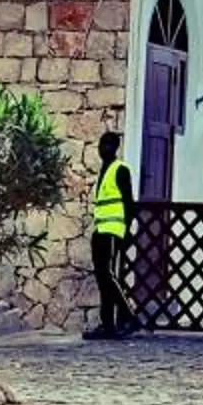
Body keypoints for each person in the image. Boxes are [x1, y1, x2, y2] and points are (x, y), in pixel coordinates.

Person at [88, 131, 136, 339]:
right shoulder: (104, 171)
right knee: (101, 277)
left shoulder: (120, 169)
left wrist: (126, 231)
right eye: (101, 144)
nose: (103, 148)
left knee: (108, 275)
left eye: (108, 145)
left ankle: (128, 316)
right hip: (100, 229)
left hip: (113, 230)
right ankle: (107, 324)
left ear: (115, 147)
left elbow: (128, 202)